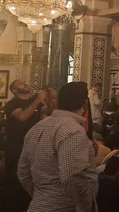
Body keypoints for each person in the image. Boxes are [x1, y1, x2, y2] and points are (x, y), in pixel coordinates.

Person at [18, 81, 97, 212]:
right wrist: (86, 206)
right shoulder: (73, 130)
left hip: (36, 206)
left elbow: (23, 173)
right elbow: (72, 176)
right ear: (85, 105)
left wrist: (42, 196)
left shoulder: (37, 127)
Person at [5, 80, 47, 211]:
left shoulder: (35, 100)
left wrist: (44, 100)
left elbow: (47, 111)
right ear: (15, 90)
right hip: (16, 146)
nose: (25, 83)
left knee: (32, 178)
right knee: (16, 180)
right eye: (20, 83)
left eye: (24, 81)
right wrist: (37, 100)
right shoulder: (12, 104)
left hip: (33, 145)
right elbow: (22, 116)